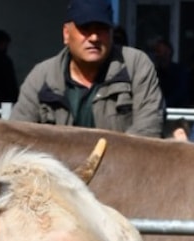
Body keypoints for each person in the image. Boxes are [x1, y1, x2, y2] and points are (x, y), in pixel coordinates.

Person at [9, 0, 163, 138]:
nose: (94, 38)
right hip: (55, 168)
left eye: (101, 28)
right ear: (66, 34)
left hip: (122, 167)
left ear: (111, 33)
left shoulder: (135, 65)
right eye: (85, 28)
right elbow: (17, 136)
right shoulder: (41, 77)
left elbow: (148, 130)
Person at [151, 38, 192, 109]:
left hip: (177, 112)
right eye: (156, 52)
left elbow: (180, 93)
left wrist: (164, 103)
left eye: (159, 51)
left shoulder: (180, 71)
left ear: (168, 52)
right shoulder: (154, 73)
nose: (157, 55)